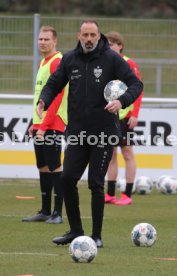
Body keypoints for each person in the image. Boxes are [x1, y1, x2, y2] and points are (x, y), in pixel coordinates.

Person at [36, 19, 143, 247]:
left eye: (93, 35)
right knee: (66, 179)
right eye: (85, 35)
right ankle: (76, 231)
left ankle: (96, 236)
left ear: (98, 35)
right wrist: (43, 99)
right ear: (78, 35)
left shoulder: (111, 58)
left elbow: (136, 84)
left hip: (103, 132)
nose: (89, 39)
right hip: (77, 132)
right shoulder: (70, 59)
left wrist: (121, 101)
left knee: (95, 183)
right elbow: (54, 83)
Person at [22, 26, 68, 224]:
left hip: (53, 123)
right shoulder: (44, 61)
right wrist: (35, 122)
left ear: (55, 41)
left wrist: (44, 125)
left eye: (46, 39)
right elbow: (41, 97)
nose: (42, 42)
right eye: (40, 39)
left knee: (55, 166)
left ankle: (57, 213)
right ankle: (45, 210)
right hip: (41, 124)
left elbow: (57, 96)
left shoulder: (57, 61)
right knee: (42, 166)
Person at [104, 31, 144, 205]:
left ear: (120, 46)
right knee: (111, 154)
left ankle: (127, 194)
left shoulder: (128, 63)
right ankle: (110, 194)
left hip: (125, 116)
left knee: (127, 153)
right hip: (110, 115)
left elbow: (138, 89)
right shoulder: (105, 64)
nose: (109, 47)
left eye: (112, 44)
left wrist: (134, 114)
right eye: (107, 44)